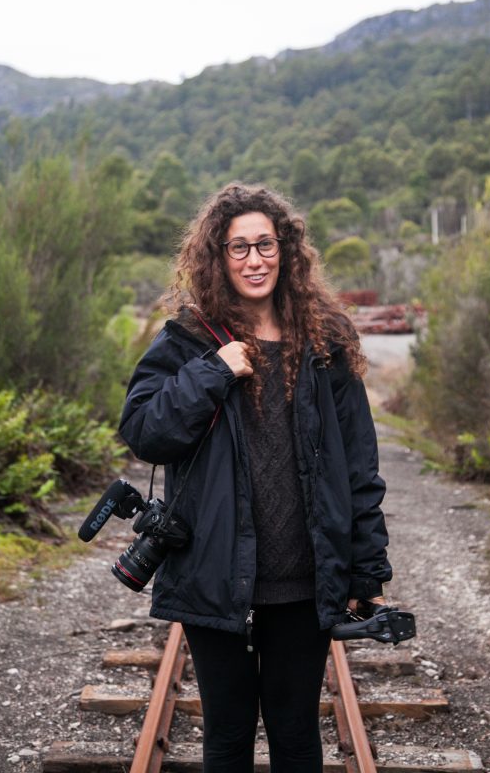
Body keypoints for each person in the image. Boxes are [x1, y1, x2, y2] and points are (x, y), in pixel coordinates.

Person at [119, 183, 392, 773]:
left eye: (264, 244)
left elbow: (359, 468)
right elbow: (143, 430)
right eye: (237, 248)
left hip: (304, 579)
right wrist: (212, 372)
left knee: (296, 736)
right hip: (215, 577)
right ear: (217, 258)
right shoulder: (190, 340)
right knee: (227, 737)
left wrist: (367, 569)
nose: (253, 260)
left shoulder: (325, 343)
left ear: (286, 250)